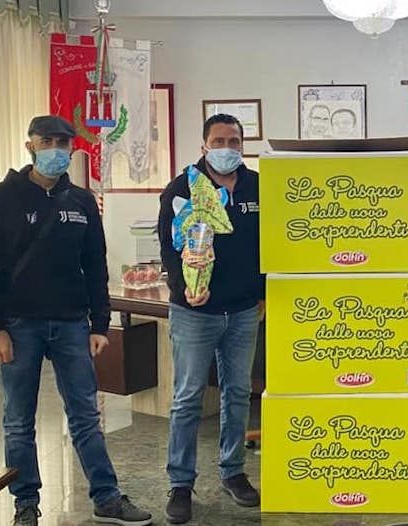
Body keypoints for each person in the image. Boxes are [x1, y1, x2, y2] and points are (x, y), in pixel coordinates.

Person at [0, 116, 152, 526]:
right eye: (46, 141)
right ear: (30, 146)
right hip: (18, 325)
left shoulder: (81, 201)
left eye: (62, 143)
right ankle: (25, 503)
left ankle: (106, 498)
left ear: (72, 148)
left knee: (86, 416)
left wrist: (99, 325)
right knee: (18, 421)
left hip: (71, 325)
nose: (55, 149)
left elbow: (95, 265)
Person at [159, 114, 265, 524]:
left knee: (237, 393)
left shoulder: (258, 186)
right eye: (218, 141)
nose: (226, 148)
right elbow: (168, 247)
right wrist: (182, 287)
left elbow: (272, 243)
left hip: (243, 312)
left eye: (234, 141)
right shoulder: (182, 188)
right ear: (203, 145)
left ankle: (233, 472)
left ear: (242, 145)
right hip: (194, 311)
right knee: (187, 398)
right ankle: (180, 483)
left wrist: (263, 294)